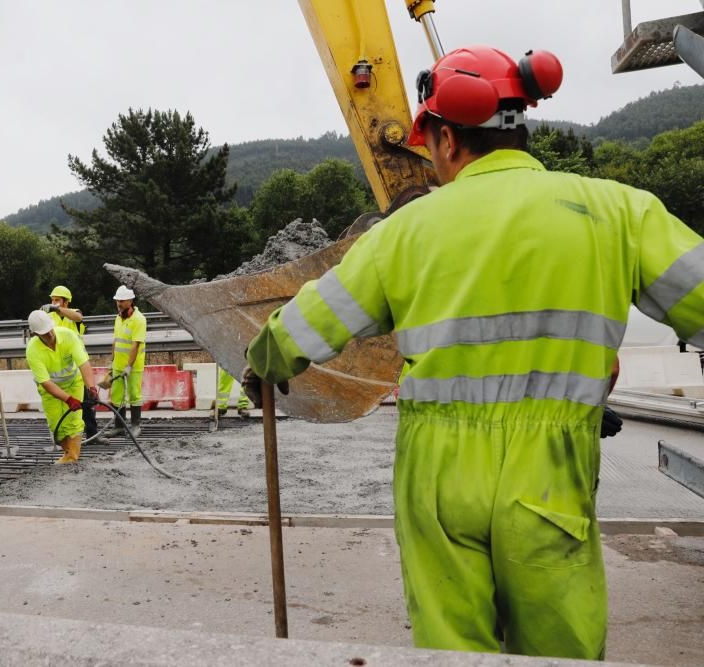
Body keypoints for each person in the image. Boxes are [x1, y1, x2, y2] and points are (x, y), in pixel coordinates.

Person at [242, 45, 704, 659]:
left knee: (453, 653)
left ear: (447, 139)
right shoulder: (621, 211)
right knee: (559, 649)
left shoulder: (404, 232)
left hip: (440, 479)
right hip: (550, 475)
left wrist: (264, 359)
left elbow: (308, 323)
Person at [25, 309, 98, 464]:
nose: (49, 334)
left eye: (50, 329)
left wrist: (91, 388)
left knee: (74, 423)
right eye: (44, 333)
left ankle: (72, 458)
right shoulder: (33, 350)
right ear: (35, 334)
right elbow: (46, 383)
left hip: (73, 384)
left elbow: (84, 365)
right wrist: (68, 399)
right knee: (57, 428)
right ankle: (69, 454)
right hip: (50, 391)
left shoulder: (68, 336)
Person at [41, 285, 99, 442]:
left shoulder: (73, 313)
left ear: (66, 302)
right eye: (52, 300)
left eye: (57, 300)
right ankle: (66, 437)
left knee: (87, 400)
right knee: (62, 401)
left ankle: (92, 434)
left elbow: (78, 317)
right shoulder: (48, 317)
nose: (53, 302)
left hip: (78, 364)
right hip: (59, 366)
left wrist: (55, 309)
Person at [104, 285, 147, 438]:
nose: (119, 303)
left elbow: (135, 344)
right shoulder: (118, 318)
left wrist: (129, 366)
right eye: (117, 301)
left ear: (130, 301)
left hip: (133, 366)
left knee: (134, 394)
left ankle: (135, 425)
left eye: (121, 301)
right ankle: (119, 426)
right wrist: (112, 361)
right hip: (118, 364)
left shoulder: (139, 319)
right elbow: (115, 341)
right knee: (116, 395)